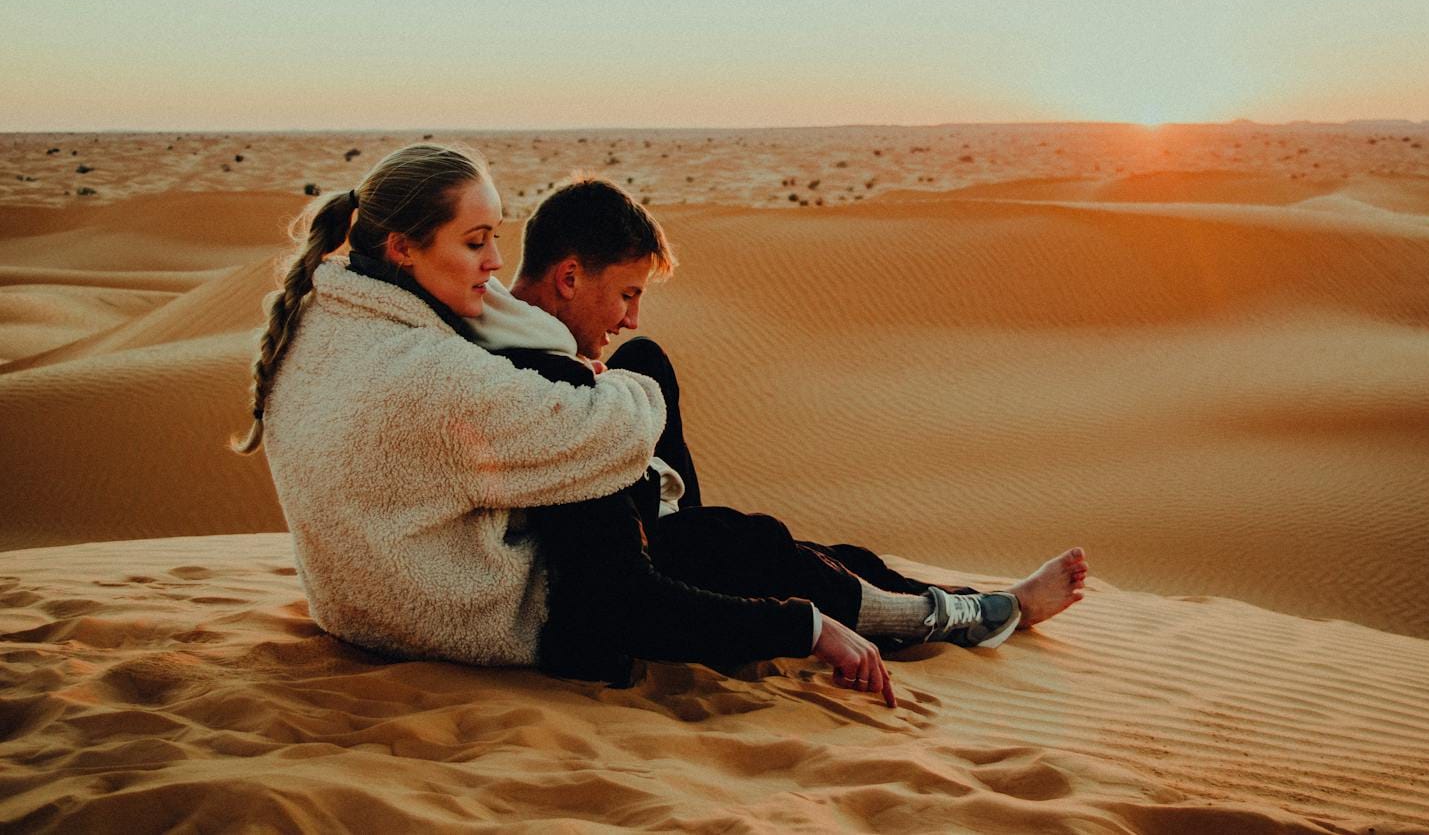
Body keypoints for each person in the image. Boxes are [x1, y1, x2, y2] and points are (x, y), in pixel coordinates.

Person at [235, 144, 1085, 708]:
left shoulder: (324, 323)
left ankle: (950, 600)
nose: (495, 263)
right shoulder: (465, 376)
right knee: (752, 545)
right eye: (477, 241)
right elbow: (611, 550)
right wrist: (627, 389)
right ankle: (974, 611)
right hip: (494, 611)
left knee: (747, 538)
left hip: (379, 594)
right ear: (402, 251)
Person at [473, 179, 1091, 704]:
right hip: (605, 566)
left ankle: (968, 598)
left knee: (646, 361)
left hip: (634, 512)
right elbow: (610, 591)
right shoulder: (553, 386)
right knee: (758, 546)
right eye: (628, 294)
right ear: (571, 277)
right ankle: (963, 615)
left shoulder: (498, 314)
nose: (630, 315)